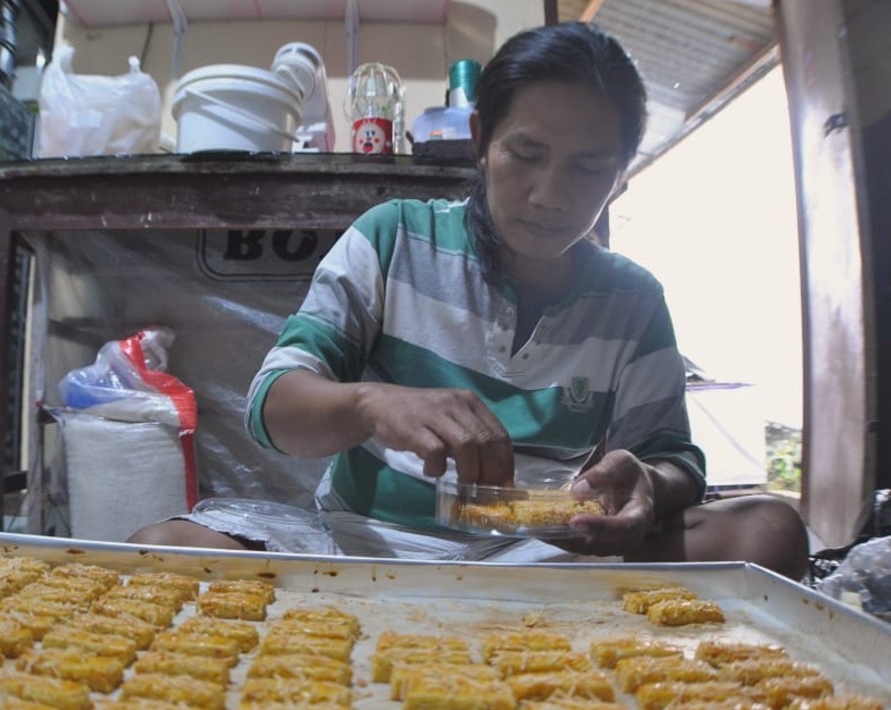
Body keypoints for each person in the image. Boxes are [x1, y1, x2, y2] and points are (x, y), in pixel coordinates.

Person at [129, 21, 809, 580]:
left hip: (544, 555)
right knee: (161, 551)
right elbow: (272, 406)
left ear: (622, 176)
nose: (549, 194)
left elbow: (675, 460)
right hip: (360, 544)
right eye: (527, 154)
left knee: (769, 530)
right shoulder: (393, 239)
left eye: (589, 167)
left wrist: (649, 485)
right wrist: (370, 402)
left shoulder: (633, 301)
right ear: (482, 141)